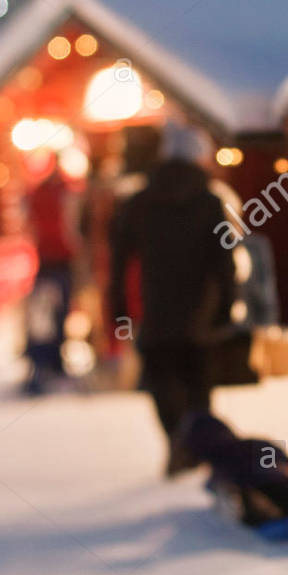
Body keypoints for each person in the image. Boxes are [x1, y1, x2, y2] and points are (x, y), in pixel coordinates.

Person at [109, 125, 235, 477]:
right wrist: (227, 302)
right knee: (199, 382)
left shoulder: (140, 201)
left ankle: (178, 440)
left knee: (161, 377)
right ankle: (197, 445)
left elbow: (119, 257)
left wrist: (117, 304)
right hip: (201, 307)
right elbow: (222, 258)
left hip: (157, 305)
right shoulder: (209, 201)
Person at [22, 158, 81, 395]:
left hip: (53, 259)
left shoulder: (44, 192)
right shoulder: (66, 192)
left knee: (50, 315)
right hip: (54, 260)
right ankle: (48, 363)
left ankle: (48, 362)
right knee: (50, 315)